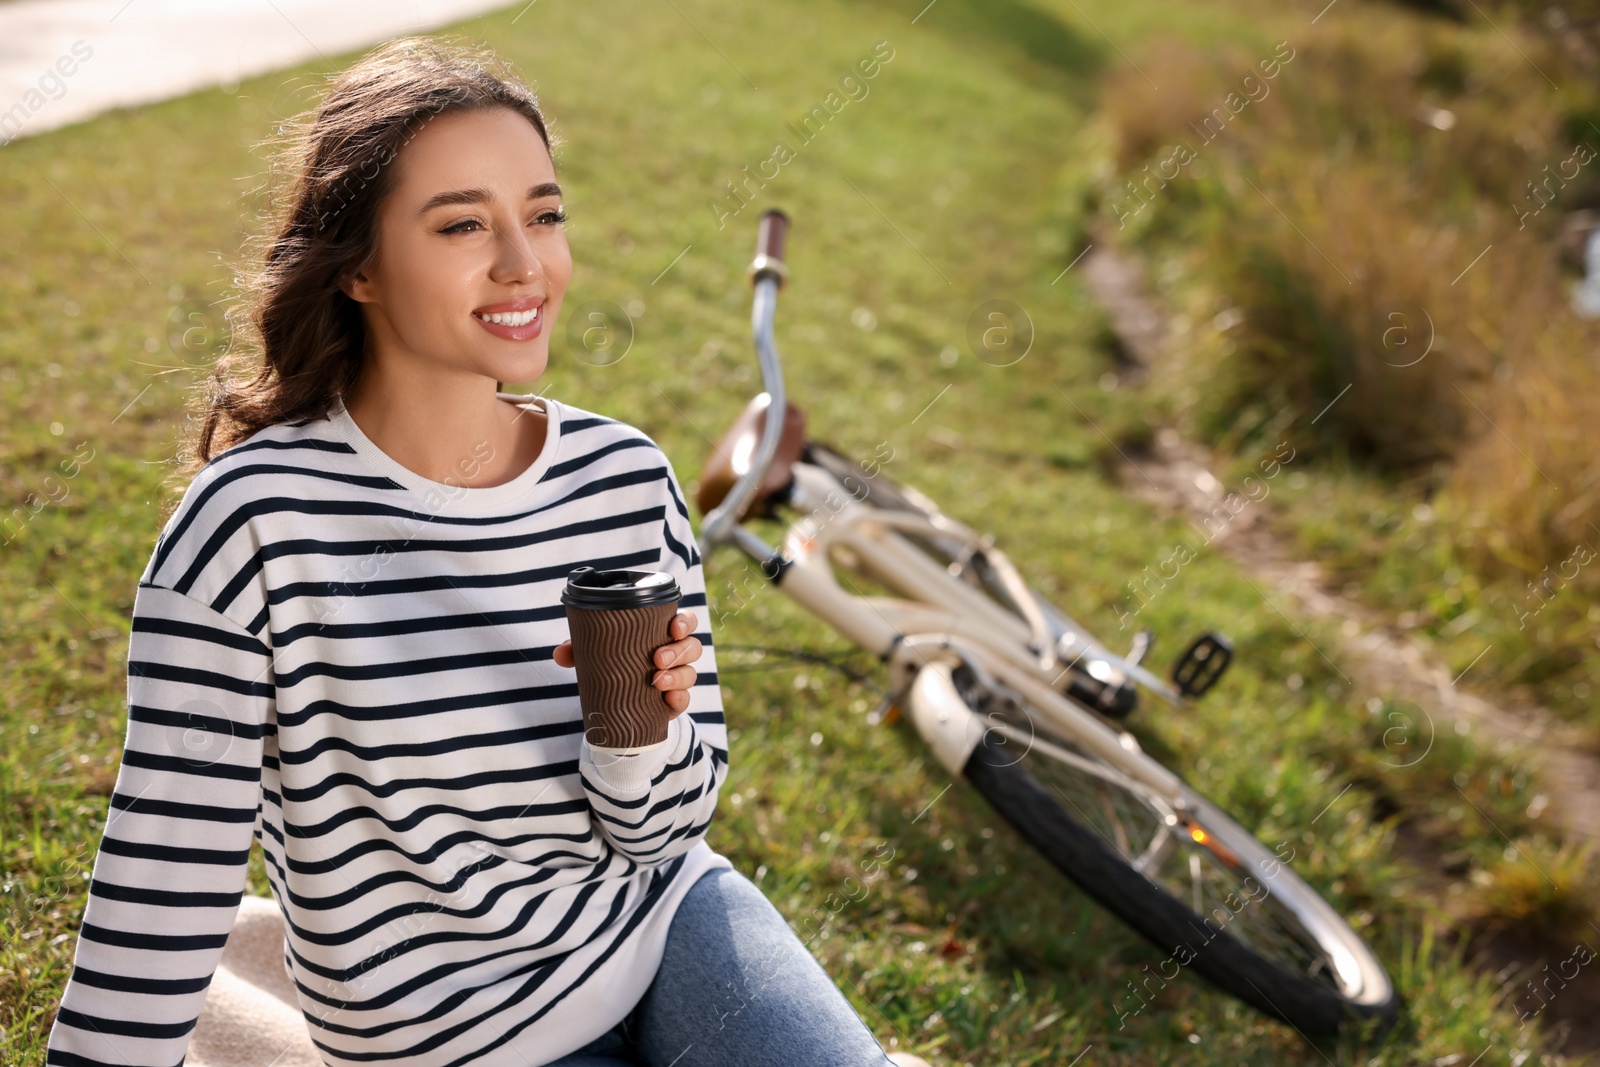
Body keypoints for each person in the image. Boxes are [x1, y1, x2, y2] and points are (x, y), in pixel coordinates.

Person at [44, 35, 913, 1067]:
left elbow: (664, 830)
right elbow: (168, 864)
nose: (524, 264)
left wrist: (638, 729)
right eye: (464, 223)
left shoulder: (622, 476)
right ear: (357, 265)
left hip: (667, 923)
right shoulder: (255, 524)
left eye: (543, 215)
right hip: (456, 1037)